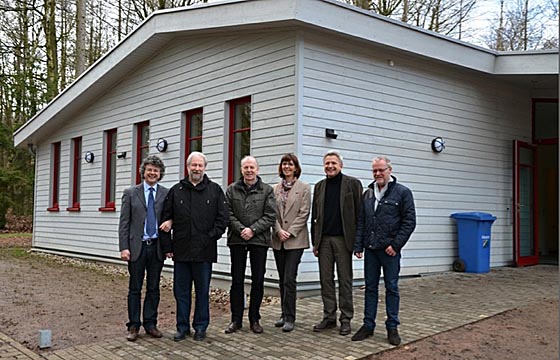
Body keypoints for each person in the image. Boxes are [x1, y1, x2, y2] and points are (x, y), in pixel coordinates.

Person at [160, 151, 228, 342]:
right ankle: (182, 327)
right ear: (187, 167)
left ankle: (200, 327)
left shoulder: (214, 190)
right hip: (180, 252)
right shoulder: (176, 191)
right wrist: (167, 248)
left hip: (204, 252)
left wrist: (210, 237)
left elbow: (222, 219)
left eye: (200, 165)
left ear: (204, 168)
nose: (196, 169)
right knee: (181, 293)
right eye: (193, 165)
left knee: (202, 292)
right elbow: (165, 219)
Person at [351, 156, 416, 345]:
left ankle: (392, 327)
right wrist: (358, 245)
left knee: (392, 288)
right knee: (370, 288)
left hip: (390, 251)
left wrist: (395, 245)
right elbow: (362, 220)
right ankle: (368, 325)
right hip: (371, 249)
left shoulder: (403, 193)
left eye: (381, 170)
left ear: (390, 170)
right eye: (375, 171)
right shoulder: (368, 193)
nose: (378, 174)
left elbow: (409, 222)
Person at [311, 150, 363, 336]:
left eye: (333, 163)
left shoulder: (353, 184)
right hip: (324, 240)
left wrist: (359, 243)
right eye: (327, 163)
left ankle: (346, 318)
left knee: (345, 279)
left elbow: (360, 215)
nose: (330, 166)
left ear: (341, 165)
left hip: (344, 240)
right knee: (326, 280)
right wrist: (315, 242)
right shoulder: (319, 186)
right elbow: (314, 216)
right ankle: (329, 316)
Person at [118, 155, 168, 342]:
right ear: (143, 172)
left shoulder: (165, 193)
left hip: (156, 248)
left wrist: (170, 221)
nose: (152, 173)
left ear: (160, 173)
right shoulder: (131, 193)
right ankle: (133, 325)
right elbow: (124, 222)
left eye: (156, 170)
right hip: (136, 248)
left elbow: (170, 216)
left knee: (154, 287)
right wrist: (124, 247)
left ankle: (150, 323)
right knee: (135, 288)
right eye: (149, 170)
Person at [224, 156, 276, 334]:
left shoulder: (267, 190)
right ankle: (235, 320)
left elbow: (270, 215)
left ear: (257, 170)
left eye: (252, 167)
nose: (249, 170)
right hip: (237, 240)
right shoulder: (231, 189)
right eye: (245, 167)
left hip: (258, 241)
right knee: (237, 280)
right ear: (241, 169)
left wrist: (252, 230)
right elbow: (227, 213)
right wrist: (241, 230)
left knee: (258, 280)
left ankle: (255, 319)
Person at [271, 154, 311, 332]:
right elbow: (271, 212)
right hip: (278, 239)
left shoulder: (304, 188)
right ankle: (283, 313)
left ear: (296, 167)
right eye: (284, 164)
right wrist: (278, 230)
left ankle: (290, 317)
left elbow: (304, 213)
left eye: (290, 164)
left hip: (295, 240)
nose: (287, 167)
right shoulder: (275, 189)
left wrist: (290, 232)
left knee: (289, 278)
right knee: (281, 279)